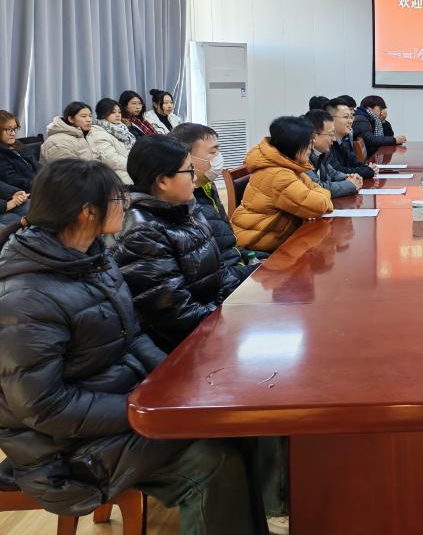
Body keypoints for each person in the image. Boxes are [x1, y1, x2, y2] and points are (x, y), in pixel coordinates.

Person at [0, 159, 267, 533]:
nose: (126, 203)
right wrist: (143, 409)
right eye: (117, 198)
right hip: (62, 450)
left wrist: (171, 383)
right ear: (87, 211)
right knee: (214, 461)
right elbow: (45, 408)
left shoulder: (92, 257)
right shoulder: (25, 298)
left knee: (239, 422)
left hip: (120, 406)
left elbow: (134, 336)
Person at [110, 135, 245, 353]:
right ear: (162, 181)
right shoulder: (142, 233)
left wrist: (241, 307)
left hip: (213, 323)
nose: (195, 178)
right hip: (185, 346)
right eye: (189, 171)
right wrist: (230, 321)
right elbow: (177, 315)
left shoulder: (185, 207)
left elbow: (220, 274)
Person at [169, 123, 266, 280]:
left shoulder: (207, 186)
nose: (219, 157)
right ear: (187, 158)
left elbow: (227, 246)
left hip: (236, 265)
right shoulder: (183, 203)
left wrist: (263, 260)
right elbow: (214, 273)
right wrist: (259, 268)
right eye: (213, 152)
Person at [231, 116, 333, 252]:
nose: (311, 148)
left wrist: (321, 197)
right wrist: (323, 196)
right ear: (294, 144)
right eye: (308, 143)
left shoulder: (288, 167)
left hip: (270, 236)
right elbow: (318, 206)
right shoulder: (279, 175)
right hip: (255, 243)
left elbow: (317, 192)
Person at [41, 101, 132, 184]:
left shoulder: (85, 136)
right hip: (70, 189)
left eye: (90, 116)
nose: (89, 119)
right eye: (84, 116)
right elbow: (68, 175)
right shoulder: (57, 142)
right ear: (71, 119)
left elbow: (97, 162)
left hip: (92, 182)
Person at [304, 109, 361, 198]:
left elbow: (334, 173)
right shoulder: (302, 157)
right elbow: (318, 188)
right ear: (314, 136)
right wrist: (350, 185)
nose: (334, 139)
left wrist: (350, 177)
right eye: (331, 134)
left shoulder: (322, 154)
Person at [0, 110, 38, 228]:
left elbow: (37, 166)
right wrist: (8, 202)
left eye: (15, 128)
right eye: (8, 129)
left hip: (23, 193)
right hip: (15, 197)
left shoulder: (18, 145)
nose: (13, 133)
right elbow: (11, 178)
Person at [325, 99, 376, 179]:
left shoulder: (343, 140)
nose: (350, 121)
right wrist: (367, 171)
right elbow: (339, 171)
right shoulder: (325, 143)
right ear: (330, 119)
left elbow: (353, 163)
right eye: (346, 117)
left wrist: (368, 167)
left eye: (351, 117)